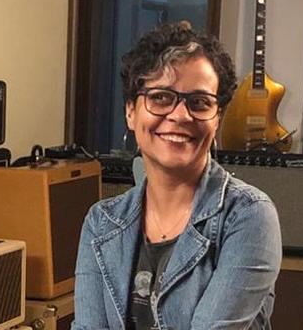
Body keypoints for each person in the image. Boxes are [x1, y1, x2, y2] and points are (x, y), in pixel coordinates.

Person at [71, 21, 282, 330]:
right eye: (160, 97)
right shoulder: (101, 222)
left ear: (217, 118)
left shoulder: (249, 216)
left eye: (199, 102)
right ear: (130, 111)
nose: (180, 115)